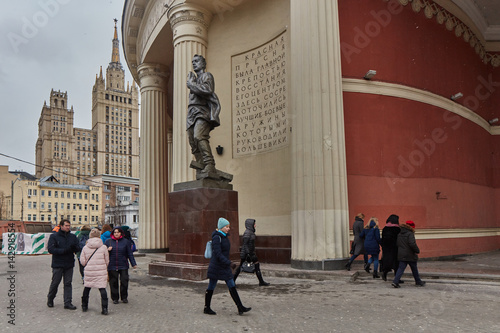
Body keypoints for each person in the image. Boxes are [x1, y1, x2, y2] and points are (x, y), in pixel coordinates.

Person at [204, 217, 251, 316]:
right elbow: (217, 253)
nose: (228, 228)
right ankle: (207, 308)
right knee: (211, 286)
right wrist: (229, 263)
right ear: (221, 227)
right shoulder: (217, 237)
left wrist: (227, 263)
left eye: (229, 226)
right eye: (226, 227)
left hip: (223, 266)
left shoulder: (224, 236)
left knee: (231, 284)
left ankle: (240, 307)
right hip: (216, 266)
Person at [186, 54, 221, 174]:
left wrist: (191, 85)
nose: (194, 63)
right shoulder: (193, 79)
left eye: (196, 61)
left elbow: (208, 90)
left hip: (202, 112)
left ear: (203, 63)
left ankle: (209, 163)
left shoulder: (207, 76)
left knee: (199, 136)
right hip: (191, 113)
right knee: (193, 141)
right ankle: (201, 164)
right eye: (192, 62)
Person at [47, 219, 81, 310]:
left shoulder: (73, 237)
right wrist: (63, 251)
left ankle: (68, 302)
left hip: (69, 263)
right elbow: (51, 249)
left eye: (69, 225)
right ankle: (50, 298)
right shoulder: (54, 236)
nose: (68, 227)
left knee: (68, 283)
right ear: (61, 226)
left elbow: (78, 248)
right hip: (58, 263)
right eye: (66, 225)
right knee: (55, 283)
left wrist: (75, 248)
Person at [80, 228, 109, 315]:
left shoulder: (85, 247)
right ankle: (104, 309)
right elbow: (107, 261)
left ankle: (84, 306)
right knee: (102, 289)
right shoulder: (103, 247)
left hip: (89, 271)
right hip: (101, 271)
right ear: (99, 236)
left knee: (87, 288)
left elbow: (83, 262)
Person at [233, 218, 270, 286]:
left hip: (250, 253)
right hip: (247, 253)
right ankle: (232, 282)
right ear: (250, 224)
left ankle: (261, 281)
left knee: (255, 265)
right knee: (241, 267)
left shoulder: (250, 232)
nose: (255, 225)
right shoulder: (247, 233)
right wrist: (248, 255)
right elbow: (245, 244)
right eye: (254, 224)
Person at [105, 227, 137, 304]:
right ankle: (115, 298)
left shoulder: (125, 242)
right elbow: (103, 253)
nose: (116, 234)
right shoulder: (108, 241)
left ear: (121, 233)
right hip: (112, 265)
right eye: (115, 232)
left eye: (118, 232)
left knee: (124, 281)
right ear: (113, 233)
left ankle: (124, 297)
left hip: (123, 265)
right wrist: (107, 250)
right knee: (113, 282)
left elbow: (130, 253)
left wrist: (133, 263)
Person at [392, 221, 426, 288]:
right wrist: (417, 250)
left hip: (401, 254)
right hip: (410, 254)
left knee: (401, 268)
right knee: (414, 268)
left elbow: (397, 243)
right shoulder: (410, 234)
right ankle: (418, 281)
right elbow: (412, 244)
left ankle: (395, 281)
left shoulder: (399, 234)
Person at [380, 214, 401, 281]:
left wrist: (383, 246)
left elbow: (382, 239)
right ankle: (397, 278)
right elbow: (399, 239)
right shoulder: (397, 229)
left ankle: (384, 274)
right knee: (396, 263)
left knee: (387, 262)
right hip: (395, 248)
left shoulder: (385, 228)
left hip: (386, 249)